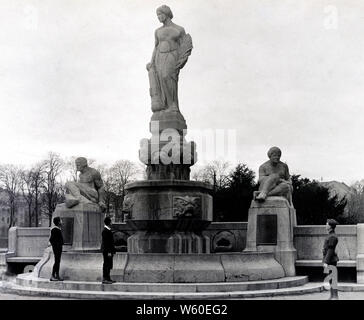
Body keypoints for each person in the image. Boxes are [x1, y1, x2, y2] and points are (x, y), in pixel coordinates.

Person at [146, 5, 193, 112]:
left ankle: (173, 105)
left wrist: (181, 60)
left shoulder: (179, 29)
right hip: (159, 56)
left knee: (167, 77)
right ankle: (165, 105)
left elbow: (184, 45)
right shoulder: (157, 31)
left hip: (172, 56)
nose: (158, 17)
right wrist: (152, 61)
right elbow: (156, 46)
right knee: (161, 79)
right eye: (157, 15)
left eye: (160, 14)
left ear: (166, 14)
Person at [323, 218, 339, 300]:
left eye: (327, 223)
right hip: (330, 260)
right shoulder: (330, 235)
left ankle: (335, 296)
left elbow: (330, 250)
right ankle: (332, 296)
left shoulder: (332, 236)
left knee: (332, 279)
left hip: (331, 260)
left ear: (330, 226)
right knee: (330, 278)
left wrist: (326, 261)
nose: (326, 225)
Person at [101, 216, 116, 284]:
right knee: (106, 264)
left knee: (109, 264)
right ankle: (105, 278)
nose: (112, 223)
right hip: (107, 251)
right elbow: (106, 243)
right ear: (109, 222)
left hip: (108, 251)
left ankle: (108, 278)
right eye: (111, 221)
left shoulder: (107, 230)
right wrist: (109, 252)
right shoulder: (105, 231)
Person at [49, 216, 64, 281]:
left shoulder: (58, 229)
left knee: (58, 262)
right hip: (57, 248)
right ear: (58, 222)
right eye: (61, 220)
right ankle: (52, 276)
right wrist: (57, 246)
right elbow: (51, 239)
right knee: (56, 262)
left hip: (58, 248)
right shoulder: (55, 229)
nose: (62, 221)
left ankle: (57, 275)